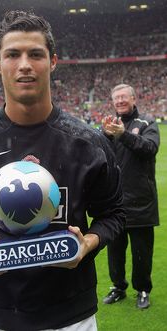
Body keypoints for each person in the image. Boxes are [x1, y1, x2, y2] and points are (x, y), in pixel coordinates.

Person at [0, 10, 125, 331]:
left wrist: (88, 243)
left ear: (52, 62)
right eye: (12, 54)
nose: (24, 64)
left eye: (35, 54)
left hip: (71, 315)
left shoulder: (88, 143)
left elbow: (115, 213)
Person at [102, 84, 160, 309]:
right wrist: (105, 136)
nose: (119, 101)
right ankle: (118, 287)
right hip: (115, 202)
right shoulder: (109, 125)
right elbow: (98, 153)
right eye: (116, 98)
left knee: (141, 252)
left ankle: (143, 289)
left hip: (141, 201)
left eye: (124, 97)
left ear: (134, 99)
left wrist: (123, 135)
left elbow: (149, 148)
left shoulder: (147, 122)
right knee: (115, 252)